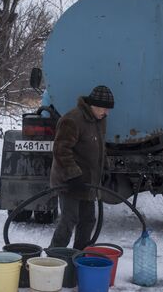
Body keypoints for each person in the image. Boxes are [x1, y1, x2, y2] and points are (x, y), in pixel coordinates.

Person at [49, 85, 114, 249]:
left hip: (88, 182)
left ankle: (79, 257)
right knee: (69, 220)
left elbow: (100, 147)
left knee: (88, 220)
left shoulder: (99, 120)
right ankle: (55, 257)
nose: (107, 113)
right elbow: (61, 150)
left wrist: (105, 168)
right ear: (94, 105)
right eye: (105, 109)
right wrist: (73, 175)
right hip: (70, 182)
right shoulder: (72, 120)